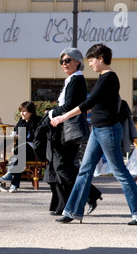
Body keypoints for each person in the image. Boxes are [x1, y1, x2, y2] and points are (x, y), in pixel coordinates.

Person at [50, 44, 137, 225]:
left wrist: (63, 116)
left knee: (120, 171)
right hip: (97, 131)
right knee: (85, 170)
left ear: (101, 58)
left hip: (108, 131)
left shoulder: (109, 78)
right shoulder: (103, 77)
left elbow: (88, 103)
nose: (89, 64)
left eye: (91, 60)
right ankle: (72, 212)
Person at [44, 48, 103, 216]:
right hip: (64, 128)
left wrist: (51, 113)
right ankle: (85, 197)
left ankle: (87, 196)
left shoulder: (77, 79)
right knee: (65, 167)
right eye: (62, 61)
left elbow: (70, 105)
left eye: (67, 60)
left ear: (78, 62)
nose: (64, 64)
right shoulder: (71, 79)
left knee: (63, 167)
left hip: (69, 129)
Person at [0, 101, 41, 193]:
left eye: (24, 111)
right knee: (20, 157)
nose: (22, 113)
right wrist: (0, 147)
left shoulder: (38, 121)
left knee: (21, 152)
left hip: (35, 150)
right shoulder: (21, 122)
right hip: (22, 151)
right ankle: (13, 185)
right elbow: (12, 136)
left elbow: (38, 138)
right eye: (21, 111)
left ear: (31, 111)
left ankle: (10, 176)